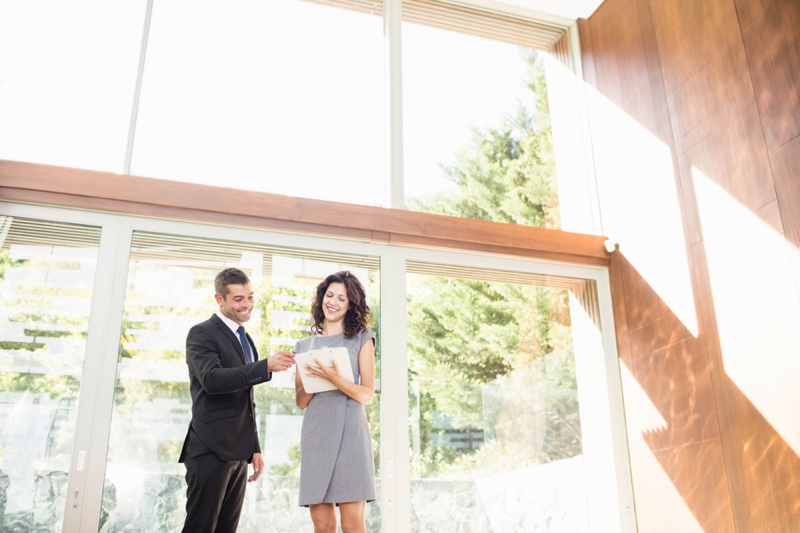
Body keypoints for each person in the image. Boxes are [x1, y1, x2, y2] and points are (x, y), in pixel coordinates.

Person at [179, 267, 296, 532]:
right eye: (239, 299)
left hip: (237, 452)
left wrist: (254, 447)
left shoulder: (245, 338)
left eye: (250, 297)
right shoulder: (202, 333)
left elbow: (245, 399)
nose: (247, 305)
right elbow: (212, 380)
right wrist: (264, 365)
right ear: (219, 300)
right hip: (210, 449)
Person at [294, 271, 377, 533]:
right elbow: (300, 402)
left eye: (342, 298)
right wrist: (314, 378)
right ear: (321, 299)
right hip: (317, 433)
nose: (333, 302)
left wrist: (334, 377)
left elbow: (367, 394)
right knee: (323, 526)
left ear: (351, 305)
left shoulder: (363, 337)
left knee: (353, 525)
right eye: (329, 295)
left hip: (350, 432)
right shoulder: (304, 345)